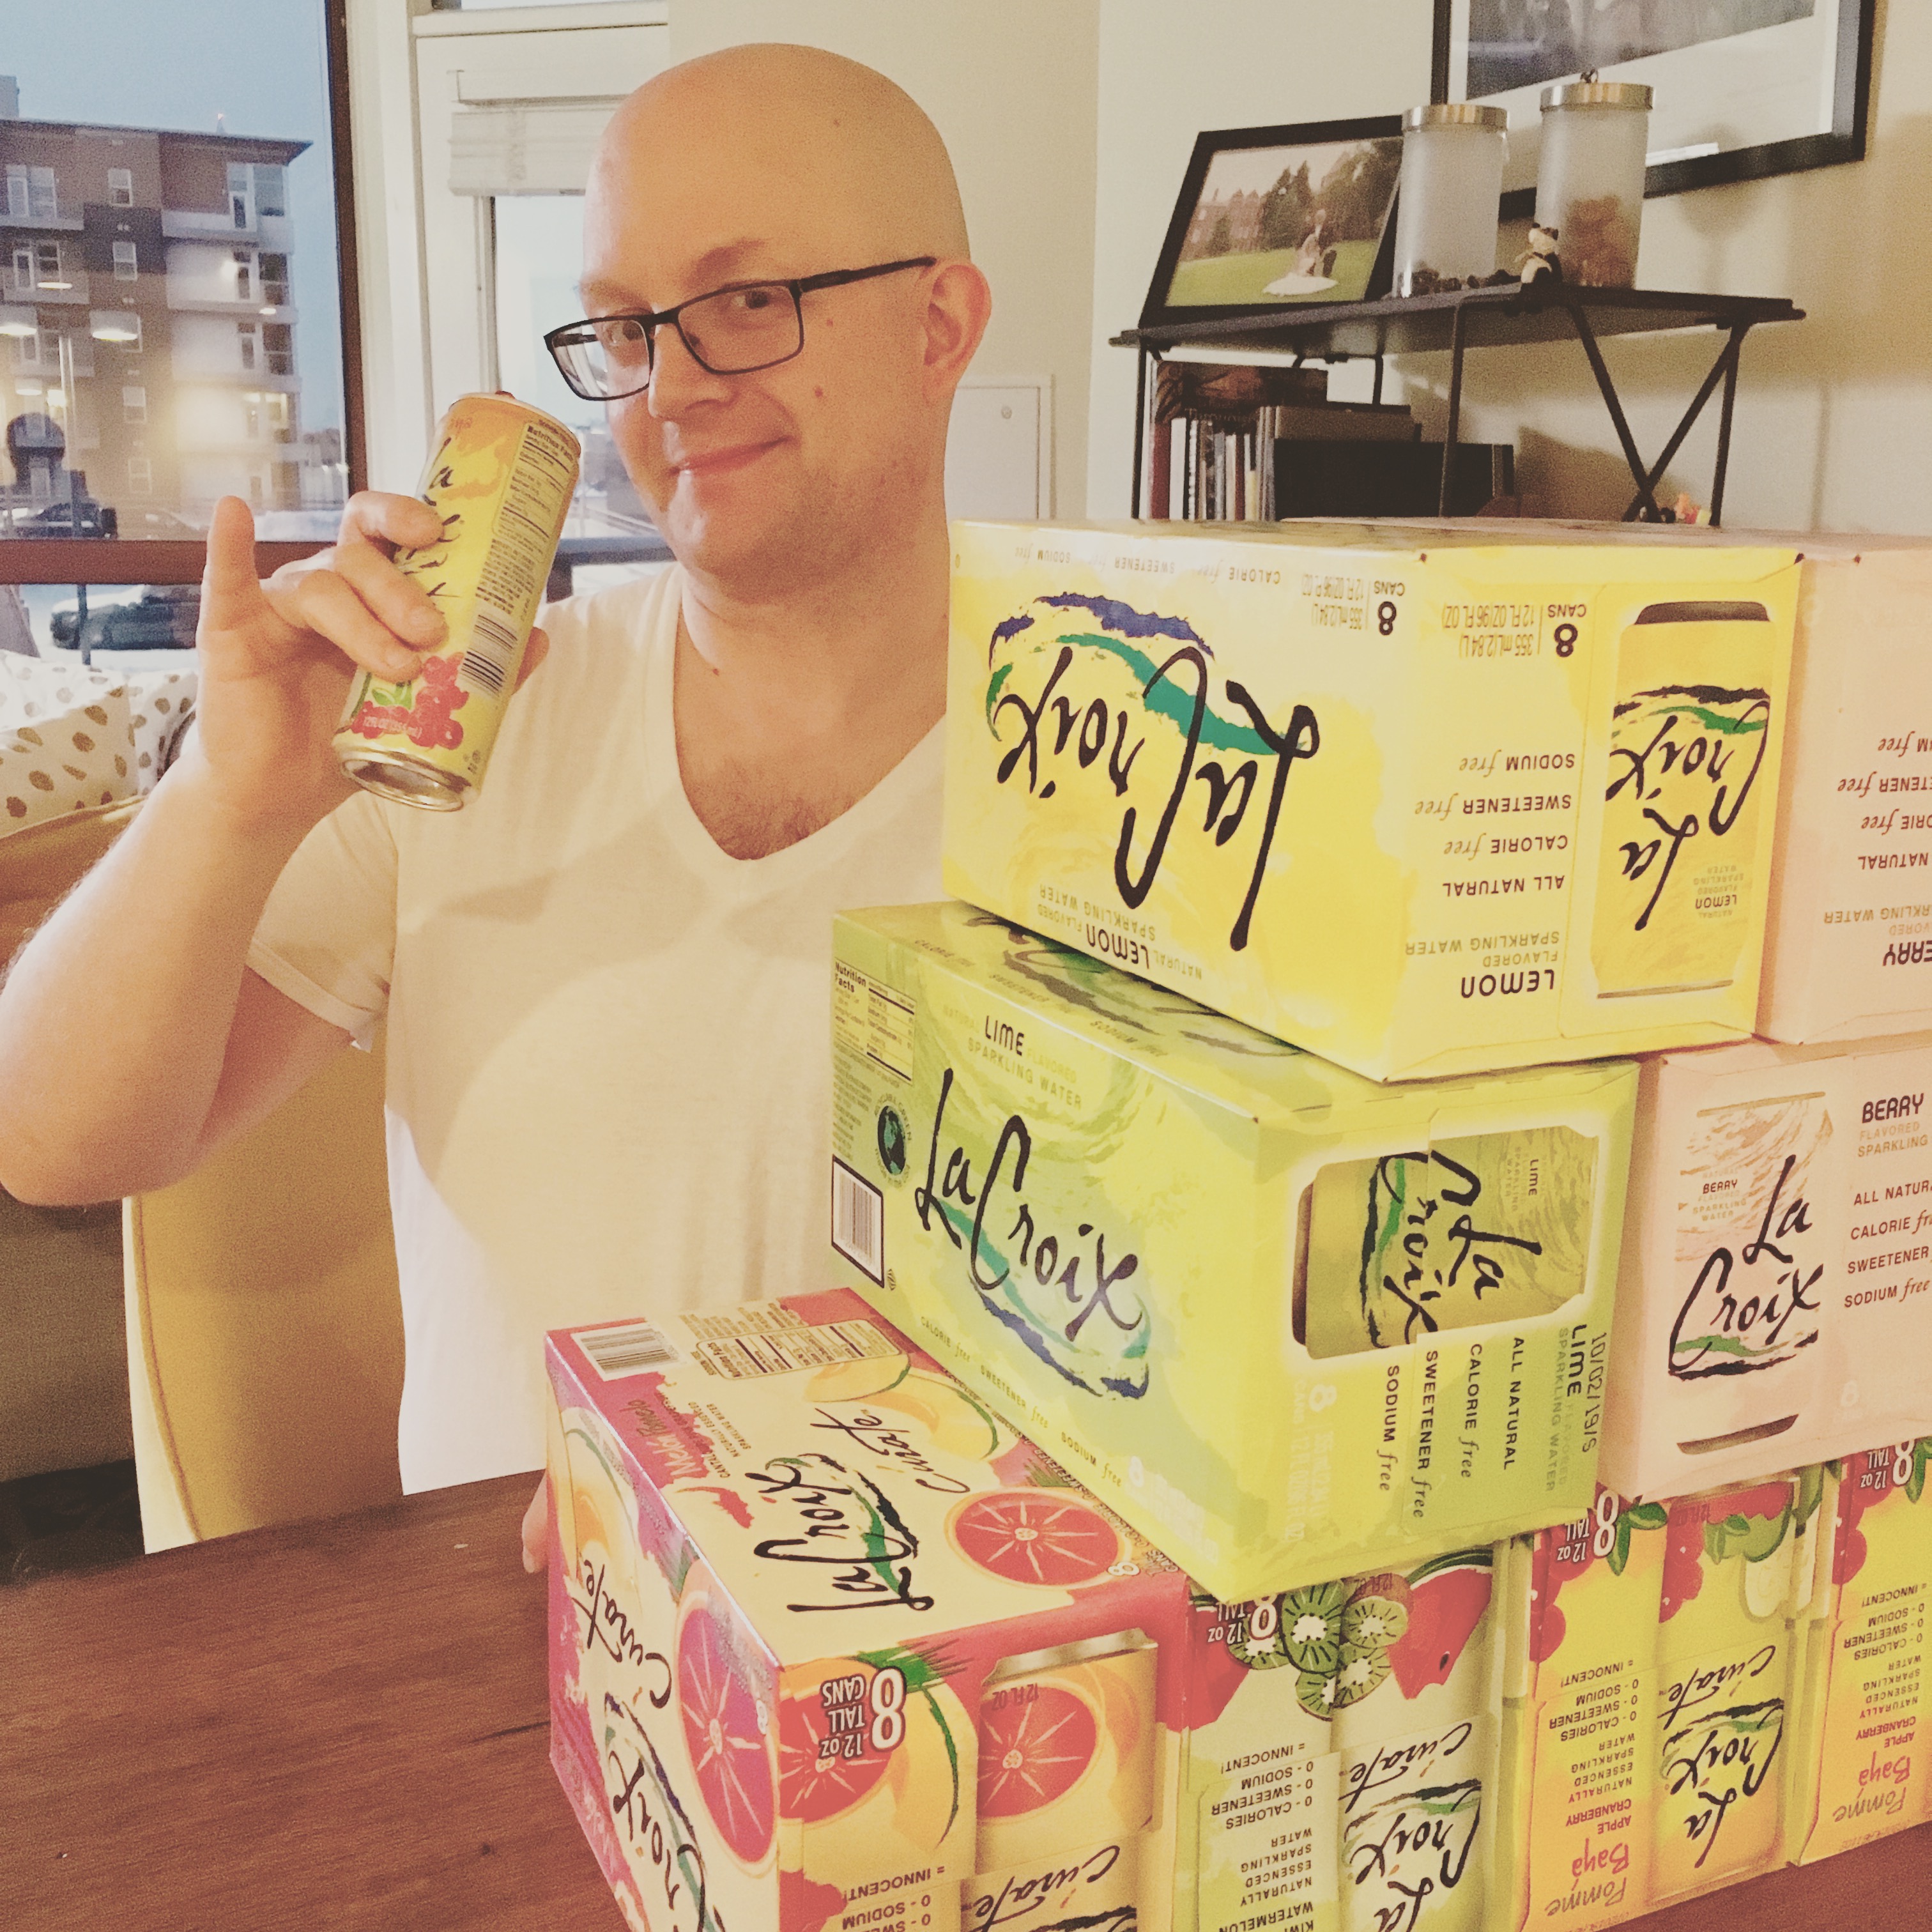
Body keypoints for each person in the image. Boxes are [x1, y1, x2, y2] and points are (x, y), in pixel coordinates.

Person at [0, 45, 993, 1564]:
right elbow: (55, 1143)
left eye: (745, 301)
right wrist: (229, 796)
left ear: (940, 324)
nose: (670, 390)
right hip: (494, 1645)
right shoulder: (473, 724)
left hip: (955, 1640)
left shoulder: (1129, 771)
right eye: (624, 326)